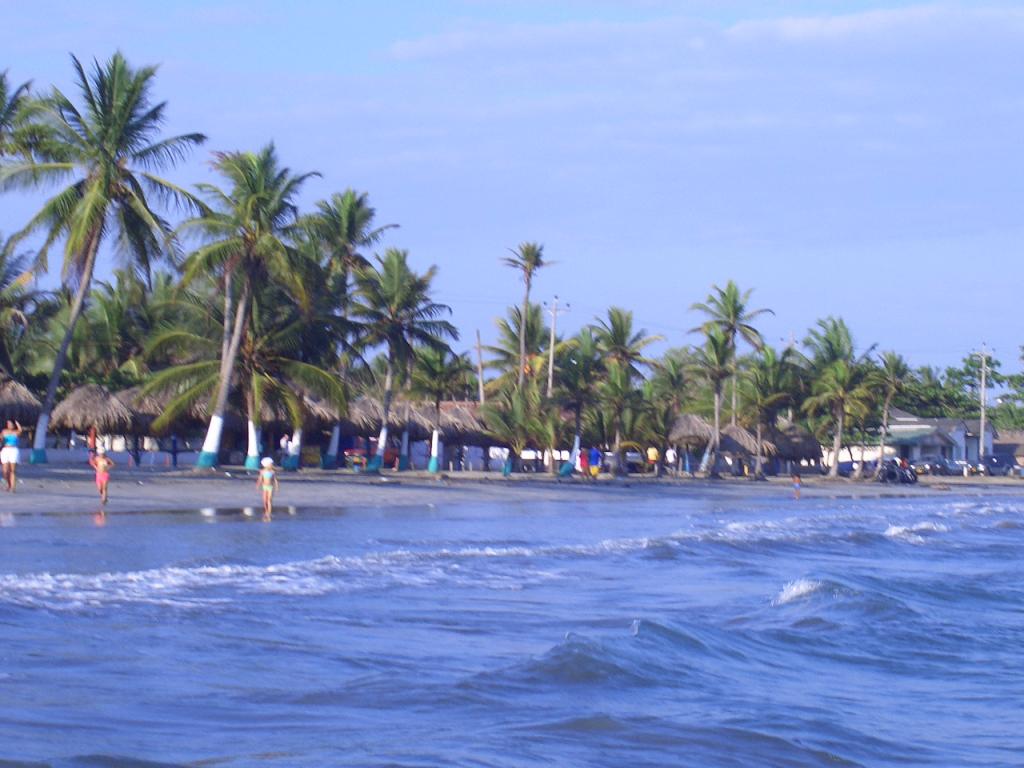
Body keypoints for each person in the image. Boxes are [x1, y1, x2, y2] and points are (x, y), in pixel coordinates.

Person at [1, 419, 23, 493]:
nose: (9, 425)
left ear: (14, 425)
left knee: (12, 470)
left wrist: (17, 423)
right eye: (8, 424)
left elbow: (20, 430)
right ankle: (9, 484)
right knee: (5, 471)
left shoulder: (16, 432)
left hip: (13, 450)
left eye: (10, 424)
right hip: (5, 450)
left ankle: (13, 487)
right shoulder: (4, 431)